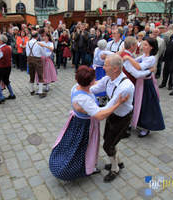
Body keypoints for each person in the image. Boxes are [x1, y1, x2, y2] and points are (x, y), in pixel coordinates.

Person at [49, 65, 129, 182]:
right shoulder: (85, 99)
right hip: (85, 126)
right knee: (85, 148)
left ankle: (89, 166)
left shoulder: (76, 86)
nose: (95, 80)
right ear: (90, 82)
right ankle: (85, 168)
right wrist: (118, 104)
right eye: (93, 79)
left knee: (77, 148)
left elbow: (95, 85)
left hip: (77, 122)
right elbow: (100, 116)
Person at [76, 54, 134, 182]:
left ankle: (115, 169)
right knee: (109, 139)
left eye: (106, 65)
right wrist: (80, 88)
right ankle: (119, 162)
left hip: (122, 117)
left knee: (108, 145)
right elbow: (94, 88)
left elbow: (107, 107)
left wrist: (85, 109)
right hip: (113, 113)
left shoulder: (125, 86)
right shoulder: (109, 78)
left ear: (115, 69)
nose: (103, 67)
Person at [123, 37, 165, 138]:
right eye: (144, 44)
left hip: (147, 84)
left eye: (146, 45)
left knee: (147, 105)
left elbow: (138, 67)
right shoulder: (144, 55)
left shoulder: (151, 58)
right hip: (140, 83)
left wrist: (128, 58)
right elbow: (135, 61)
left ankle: (146, 127)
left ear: (151, 47)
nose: (143, 46)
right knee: (137, 102)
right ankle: (134, 122)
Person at [26, 31, 52, 97]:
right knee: (40, 75)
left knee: (31, 76)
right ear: (37, 36)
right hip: (37, 60)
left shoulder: (27, 43)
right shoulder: (38, 43)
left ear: (31, 36)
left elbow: (27, 52)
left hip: (29, 59)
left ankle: (31, 90)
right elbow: (45, 54)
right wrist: (50, 53)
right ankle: (40, 92)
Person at [92, 40, 113, 106]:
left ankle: (97, 101)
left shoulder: (96, 49)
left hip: (95, 69)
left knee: (94, 83)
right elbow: (115, 54)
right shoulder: (104, 52)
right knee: (102, 84)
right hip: (101, 70)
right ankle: (100, 101)